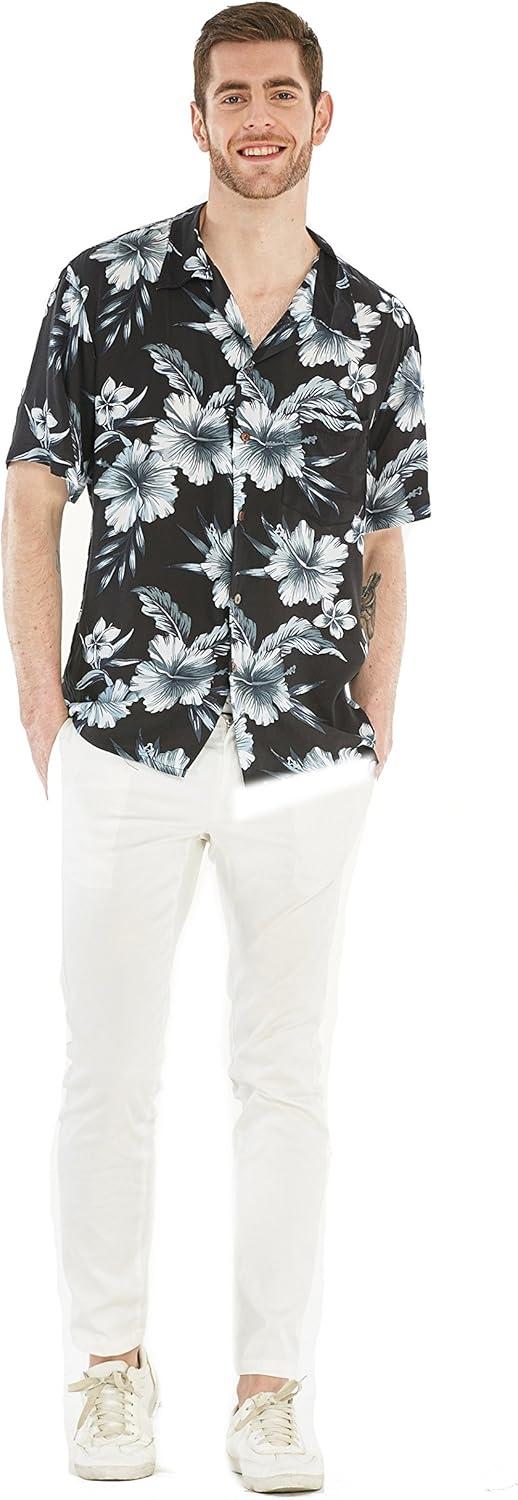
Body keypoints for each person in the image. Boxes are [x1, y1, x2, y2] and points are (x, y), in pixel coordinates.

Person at [2, 2, 430, 1488]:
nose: (257, 118)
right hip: (123, 732)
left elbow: (388, 536)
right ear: (196, 119)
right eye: (230, 95)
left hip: (308, 750)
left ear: (323, 115)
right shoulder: (101, 287)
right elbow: (33, 496)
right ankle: (108, 1372)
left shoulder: (378, 326)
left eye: (279, 93)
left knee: (286, 1077)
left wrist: (378, 707)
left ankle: (271, 1390)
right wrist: (43, 704)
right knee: (106, 1071)